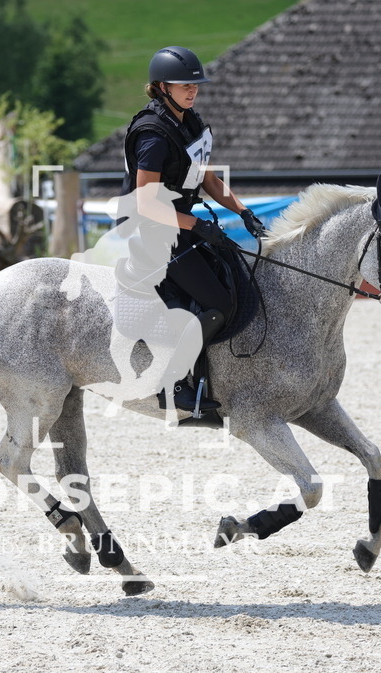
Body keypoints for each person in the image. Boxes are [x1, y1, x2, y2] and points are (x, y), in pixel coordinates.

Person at [119, 45, 266, 413]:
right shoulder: (152, 133)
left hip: (182, 224)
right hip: (153, 229)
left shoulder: (190, 122)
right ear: (162, 86)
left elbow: (208, 179)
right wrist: (196, 225)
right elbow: (146, 203)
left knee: (234, 268)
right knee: (217, 301)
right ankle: (171, 384)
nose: (192, 90)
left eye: (195, 85)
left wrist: (243, 210)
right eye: (185, 85)